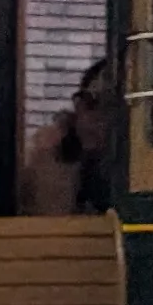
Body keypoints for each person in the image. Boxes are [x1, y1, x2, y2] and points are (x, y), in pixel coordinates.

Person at [21, 59, 121, 216]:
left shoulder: (125, 167)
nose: (96, 121)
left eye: (108, 109)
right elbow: (54, 223)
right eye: (88, 104)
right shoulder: (48, 151)